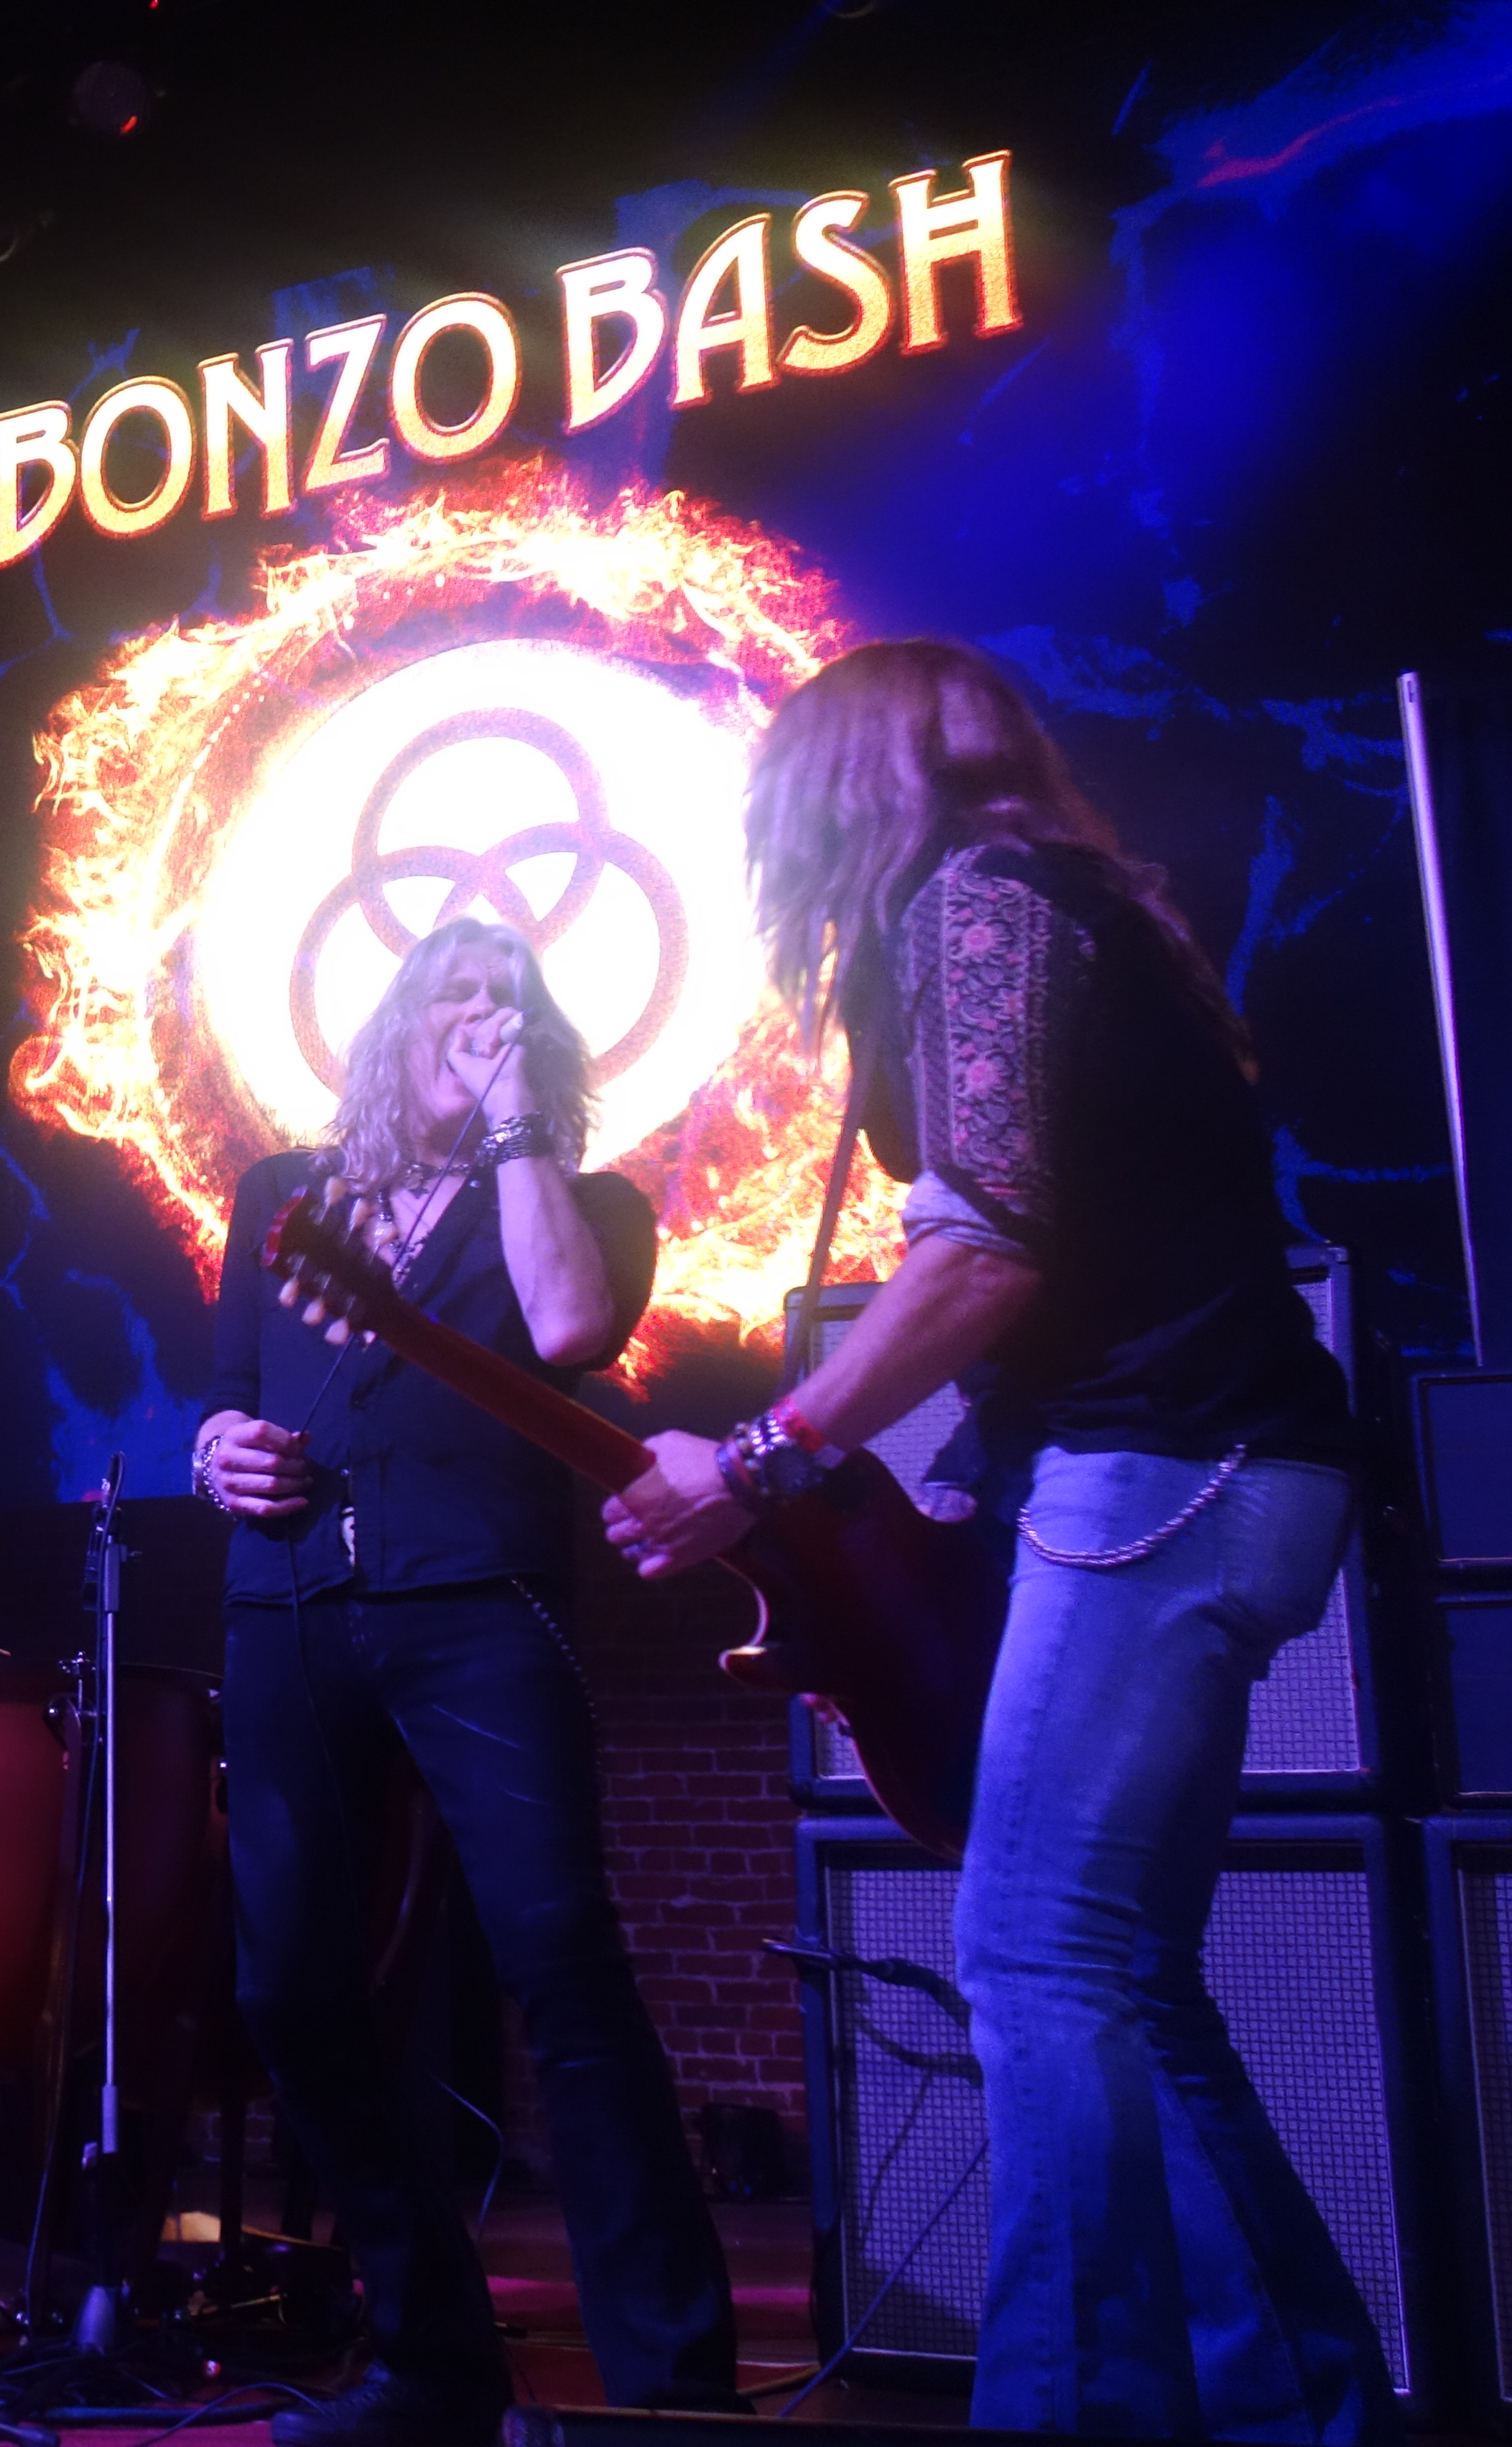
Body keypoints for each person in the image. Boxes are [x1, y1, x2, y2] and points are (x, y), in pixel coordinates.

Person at [606, 641, 1391, 2443]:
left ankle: (1065, 2413)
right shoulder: (1073, 901)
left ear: (823, 794)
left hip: (1163, 1473)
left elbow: (986, 1252)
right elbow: (1101, 1247)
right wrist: (963, 1491)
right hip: (1222, 1470)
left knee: (1035, 1959)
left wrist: (758, 1458)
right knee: (1128, 1983)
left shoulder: (975, 905)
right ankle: (1302, 2407)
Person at [195, 915, 742, 2446]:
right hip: (289, 1605)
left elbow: (569, 1327)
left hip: (480, 1606)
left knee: (559, 1959)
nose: (485, 1014)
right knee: (289, 1987)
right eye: (457, 993)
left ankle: (675, 2387)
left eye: (512, 1002)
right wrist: (216, 1452)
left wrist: (515, 1134)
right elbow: (226, 1395)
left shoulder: (580, 1203)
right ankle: (430, 2359)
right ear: (395, 1020)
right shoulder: (283, 1195)